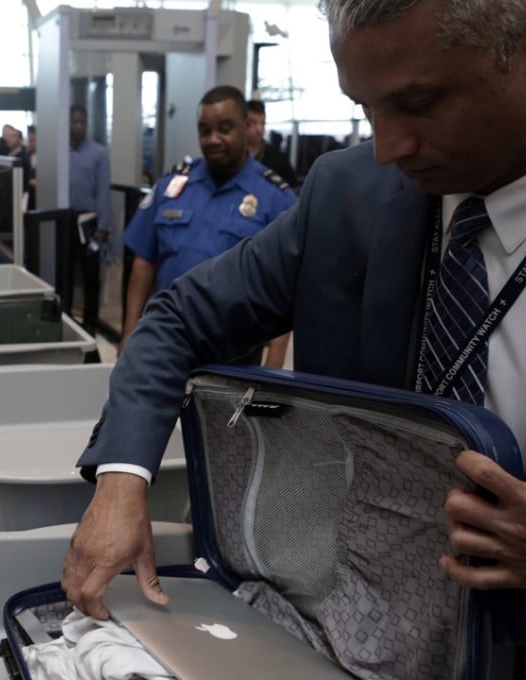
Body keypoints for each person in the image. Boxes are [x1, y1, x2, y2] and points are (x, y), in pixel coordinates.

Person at [63, 0, 526, 630]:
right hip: (347, 616)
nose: (388, 147)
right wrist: (121, 479)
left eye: (419, 104)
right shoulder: (348, 196)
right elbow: (177, 321)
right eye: (365, 109)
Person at [122, 86, 296, 364]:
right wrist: (129, 332)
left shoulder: (275, 199)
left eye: (225, 128)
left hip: (234, 355)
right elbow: (144, 262)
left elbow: (284, 288)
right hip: (165, 344)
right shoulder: (173, 186)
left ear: (245, 126)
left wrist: (273, 364)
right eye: (205, 130)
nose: (213, 139)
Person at [68, 104, 112, 336]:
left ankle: (91, 324)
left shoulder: (99, 153)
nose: (78, 126)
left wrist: (104, 227)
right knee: (65, 272)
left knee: (90, 277)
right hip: (65, 221)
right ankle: (65, 316)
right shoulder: (60, 152)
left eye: (82, 122)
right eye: (74, 121)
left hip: (90, 223)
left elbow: (103, 191)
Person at [245, 99, 300, 190]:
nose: (259, 129)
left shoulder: (278, 159)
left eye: (262, 123)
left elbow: (292, 191)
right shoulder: (234, 157)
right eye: (253, 123)